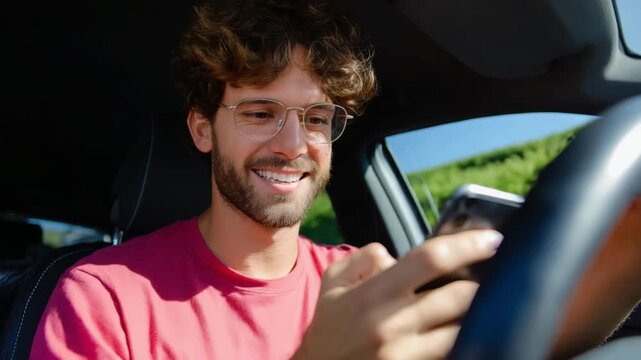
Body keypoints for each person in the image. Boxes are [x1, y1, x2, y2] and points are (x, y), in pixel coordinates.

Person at [29, 0, 641, 359]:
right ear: (202, 129)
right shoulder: (103, 298)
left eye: (316, 119)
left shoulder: (367, 276)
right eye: (261, 113)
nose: (293, 145)